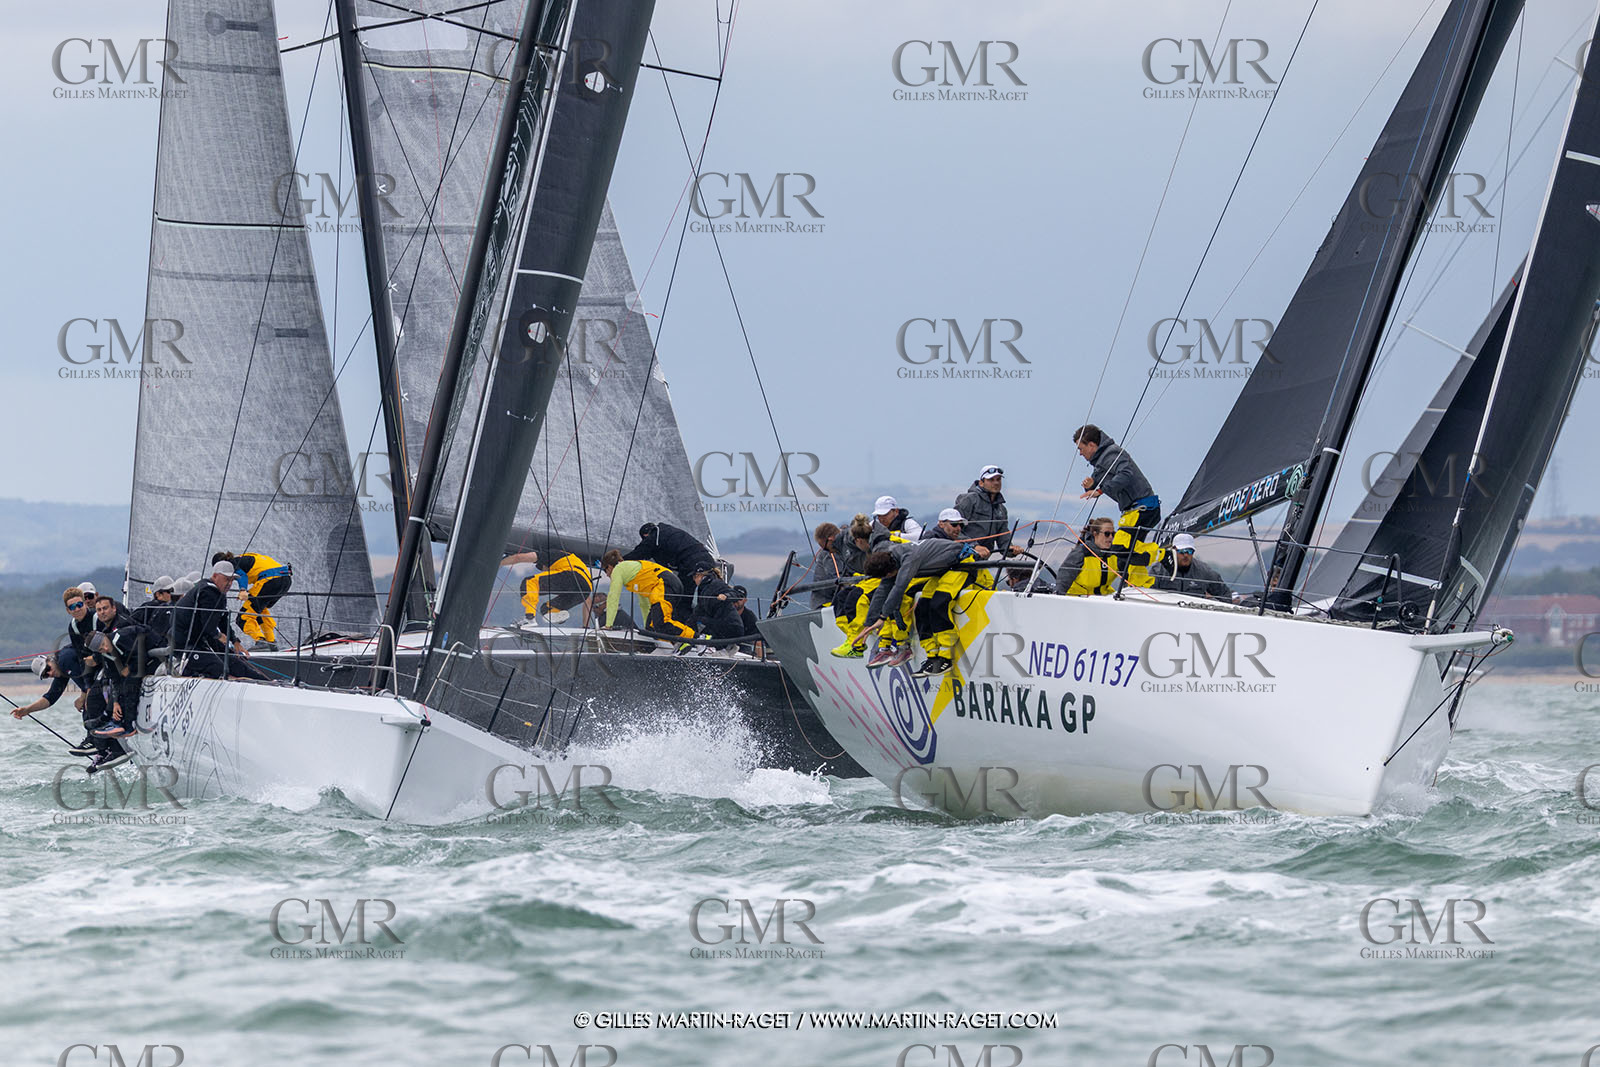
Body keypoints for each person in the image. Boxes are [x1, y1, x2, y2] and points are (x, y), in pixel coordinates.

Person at [863, 509, 991, 675]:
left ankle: (945, 657)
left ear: (889, 571)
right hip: (944, 570)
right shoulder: (892, 560)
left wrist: (882, 617)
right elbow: (883, 590)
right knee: (922, 607)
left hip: (962, 563)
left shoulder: (908, 559)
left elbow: (899, 587)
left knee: (939, 602)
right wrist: (869, 622)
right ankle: (932, 656)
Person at [174, 561, 270, 680]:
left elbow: (223, 621)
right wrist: (219, 636)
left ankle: (264, 681)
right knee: (218, 667)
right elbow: (208, 625)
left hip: (201, 641)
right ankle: (181, 670)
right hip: (184, 645)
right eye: (227, 579)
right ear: (215, 576)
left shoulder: (219, 593)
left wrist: (235, 641)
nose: (229, 584)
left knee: (234, 662)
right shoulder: (207, 591)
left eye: (232, 580)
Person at [622, 522, 717, 618]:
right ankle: (708, 620)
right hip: (707, 559)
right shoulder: (668, 533)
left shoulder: (655, 536)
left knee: (682, 598)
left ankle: (682, 623)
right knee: (707, 595)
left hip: (691, 562)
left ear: (646, 535)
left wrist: (621, 562)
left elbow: (641, 551)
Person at [12, 654, 98, 756]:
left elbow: (88, 686)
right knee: (89, 702)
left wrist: (82, 698)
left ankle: (96, 742)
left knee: (90, 702)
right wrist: (27, 710)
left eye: (48, 668)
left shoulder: (65, 660)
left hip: (105, 683)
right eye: (46, 675)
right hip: (100, 687)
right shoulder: (61, 671)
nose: (50, 673)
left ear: (51, 660)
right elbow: (50, 697)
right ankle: (101, 745)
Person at [601, 549, 695, 639]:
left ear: (609, 567)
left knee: (661, 622)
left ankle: (695, 637)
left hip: (664, 584)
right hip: (670, 584)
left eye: (605, 571)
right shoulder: (633, 572)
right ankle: (675, 643)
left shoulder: (618, 569)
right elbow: (644, 604)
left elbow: (613, 597)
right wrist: (647, 628)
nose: (607, 575)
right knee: (652, 629)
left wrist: (608, 625)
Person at [212, 550, 293, 648]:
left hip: (270, 580)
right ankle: (271, 642)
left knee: (243, 617)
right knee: (259, 610)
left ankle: (261, 642)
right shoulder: (243, 557)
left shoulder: (230, 564)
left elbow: (242, 575)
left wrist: (243, 590)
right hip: (286, 579)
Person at [501, 549, 595, 624]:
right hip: (585, 590)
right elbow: (588, 600)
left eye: (544, 570)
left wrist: (499, 563)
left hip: (573, 575)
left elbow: (520, 557)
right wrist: (585, 625)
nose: (546, 572)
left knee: (529, 582)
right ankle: (557, 614)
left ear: (544, 564)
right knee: (546, 608)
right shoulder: (572, 560)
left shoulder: (549, 555)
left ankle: (529, 618)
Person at [829, 555, 892, 659]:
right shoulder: (844, 550)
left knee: (857, 598)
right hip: (870, 577)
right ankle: (851, 638)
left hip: (882, 576)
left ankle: (858, 645)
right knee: (842, 596)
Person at [955, 465, 1019, 556]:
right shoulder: (969, 500)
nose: (996, 483)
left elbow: (1003, 539)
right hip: (961, 556)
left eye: (998, 479)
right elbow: (952, 530)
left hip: (983, 559)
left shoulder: (1002, 509)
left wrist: (1011, 549)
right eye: (991, 480)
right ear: (981, 483)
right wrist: (974, 546)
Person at [1154, 534, 1234, 600]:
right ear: (1173, 550)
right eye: (1182, 551)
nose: (1186, 555)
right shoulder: (1158, 570)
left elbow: (1225, 595)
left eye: (1190, 551)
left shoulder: (1204, 571)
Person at [1056, 518, 1120, 597]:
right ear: (1095, 534)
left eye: (1113, 534)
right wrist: (1059, 599)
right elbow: (1063, 579)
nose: (1110, 537)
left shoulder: (1116, 554)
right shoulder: (1081, 553)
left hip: (1103, 598)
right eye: (1107, 534)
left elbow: (1127, 576)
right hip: (1077, 598)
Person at [687, 562, 742, 641]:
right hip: (723, 624)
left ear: (699, 575)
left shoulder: (716, 584)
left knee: (699, 621)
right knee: (697, 620)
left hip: (729, 626)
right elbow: (698, 611)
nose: (694, 580)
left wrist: (726, 596)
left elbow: (735, 594)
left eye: (694, 577)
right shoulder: (703, 589)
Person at [809, 522, 846, 610]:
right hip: (825, 604)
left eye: (824, 547)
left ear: (831, 539)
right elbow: (838, 579)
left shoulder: (839, 546)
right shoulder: (829, 554)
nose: (824, 550)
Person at [133, 576, 178, 644]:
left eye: (173, 591)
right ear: (158, 594)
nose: (172, 593)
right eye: (169, 591)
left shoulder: (174, 608)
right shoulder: (148, 607)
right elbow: (133, 622)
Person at [730, 586, 763, 656]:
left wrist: (760, 659)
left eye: (740, 598)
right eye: (733, 597)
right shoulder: (722, 612)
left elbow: (758, 641)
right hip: (723, 648)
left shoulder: (750, 617)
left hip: (743, 651)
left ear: (745, 600)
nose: (736, 600)